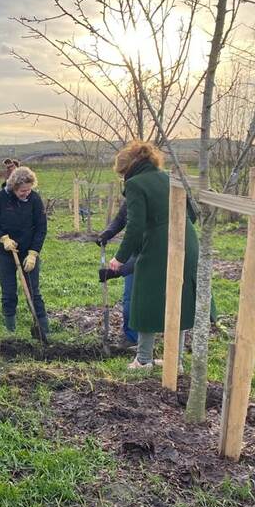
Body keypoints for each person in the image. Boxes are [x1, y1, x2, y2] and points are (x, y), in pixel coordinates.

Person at [107, 140, 199, 370]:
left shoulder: (136, 184)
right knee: (180, 298)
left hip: (159, 247)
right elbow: (193, 213)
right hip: (187, 240)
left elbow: (135, 225)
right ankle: (174, 361)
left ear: (128, 168)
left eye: (122, 173)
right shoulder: (169, 177)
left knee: (144, 299)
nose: (122, 178)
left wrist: (119, 258)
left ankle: (144, 359)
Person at [0, 167, 49, 334]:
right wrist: (3, 238)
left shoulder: (34, 199)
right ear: (14, 186)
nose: (26, 193)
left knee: (34, 292)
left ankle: (43, 330)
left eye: (28, 190)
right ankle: (10, 330)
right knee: (9, 292)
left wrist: (33, 253)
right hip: (5, 253)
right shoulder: (0, 198)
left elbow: (41, 228)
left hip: (28, 252)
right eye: (22, 191)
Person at [96, 201, 138, 349]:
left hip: (152, 256)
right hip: (134, 252)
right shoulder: (132, 197)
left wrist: (116, 271)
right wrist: (108, 232)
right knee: (130, 299)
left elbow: (142, 258)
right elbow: (121, 218)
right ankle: (132, 337)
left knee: (143, 300)